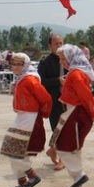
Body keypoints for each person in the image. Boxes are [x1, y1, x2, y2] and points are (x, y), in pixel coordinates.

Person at [50, 44, 94, 187]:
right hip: (73, 113)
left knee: (62, 145)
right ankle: (77, 180)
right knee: (71, 147)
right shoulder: (75, 73)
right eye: (60, 58)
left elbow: (86, 96)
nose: (61, 62)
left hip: (75, 114)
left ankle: (78, 175)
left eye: (63, 58)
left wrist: (93, 112)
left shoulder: (75, 74)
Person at [0, 53, 51, 187]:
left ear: (26, 65)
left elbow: (46, 98)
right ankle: (22, 181)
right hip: (22, 116)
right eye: (13, 63)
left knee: (12, 149)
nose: (15, 67)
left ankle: (31, 175)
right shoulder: (21, 79)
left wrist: (43, 114)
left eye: (18, 64)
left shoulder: (30, 80)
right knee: (13, 150)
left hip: (30, 118)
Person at [37, 33, 66, 170]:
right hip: (53, 101)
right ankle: (61, 159)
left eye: (61, 43)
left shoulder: (68, 60)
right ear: (50, 46)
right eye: (56, 44)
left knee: (65, 130)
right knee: (57, 129)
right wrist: (57, 81)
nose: (59, 46)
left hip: (67, 101)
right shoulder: (45, 63)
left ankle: (52, 150)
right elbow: (41, 81)